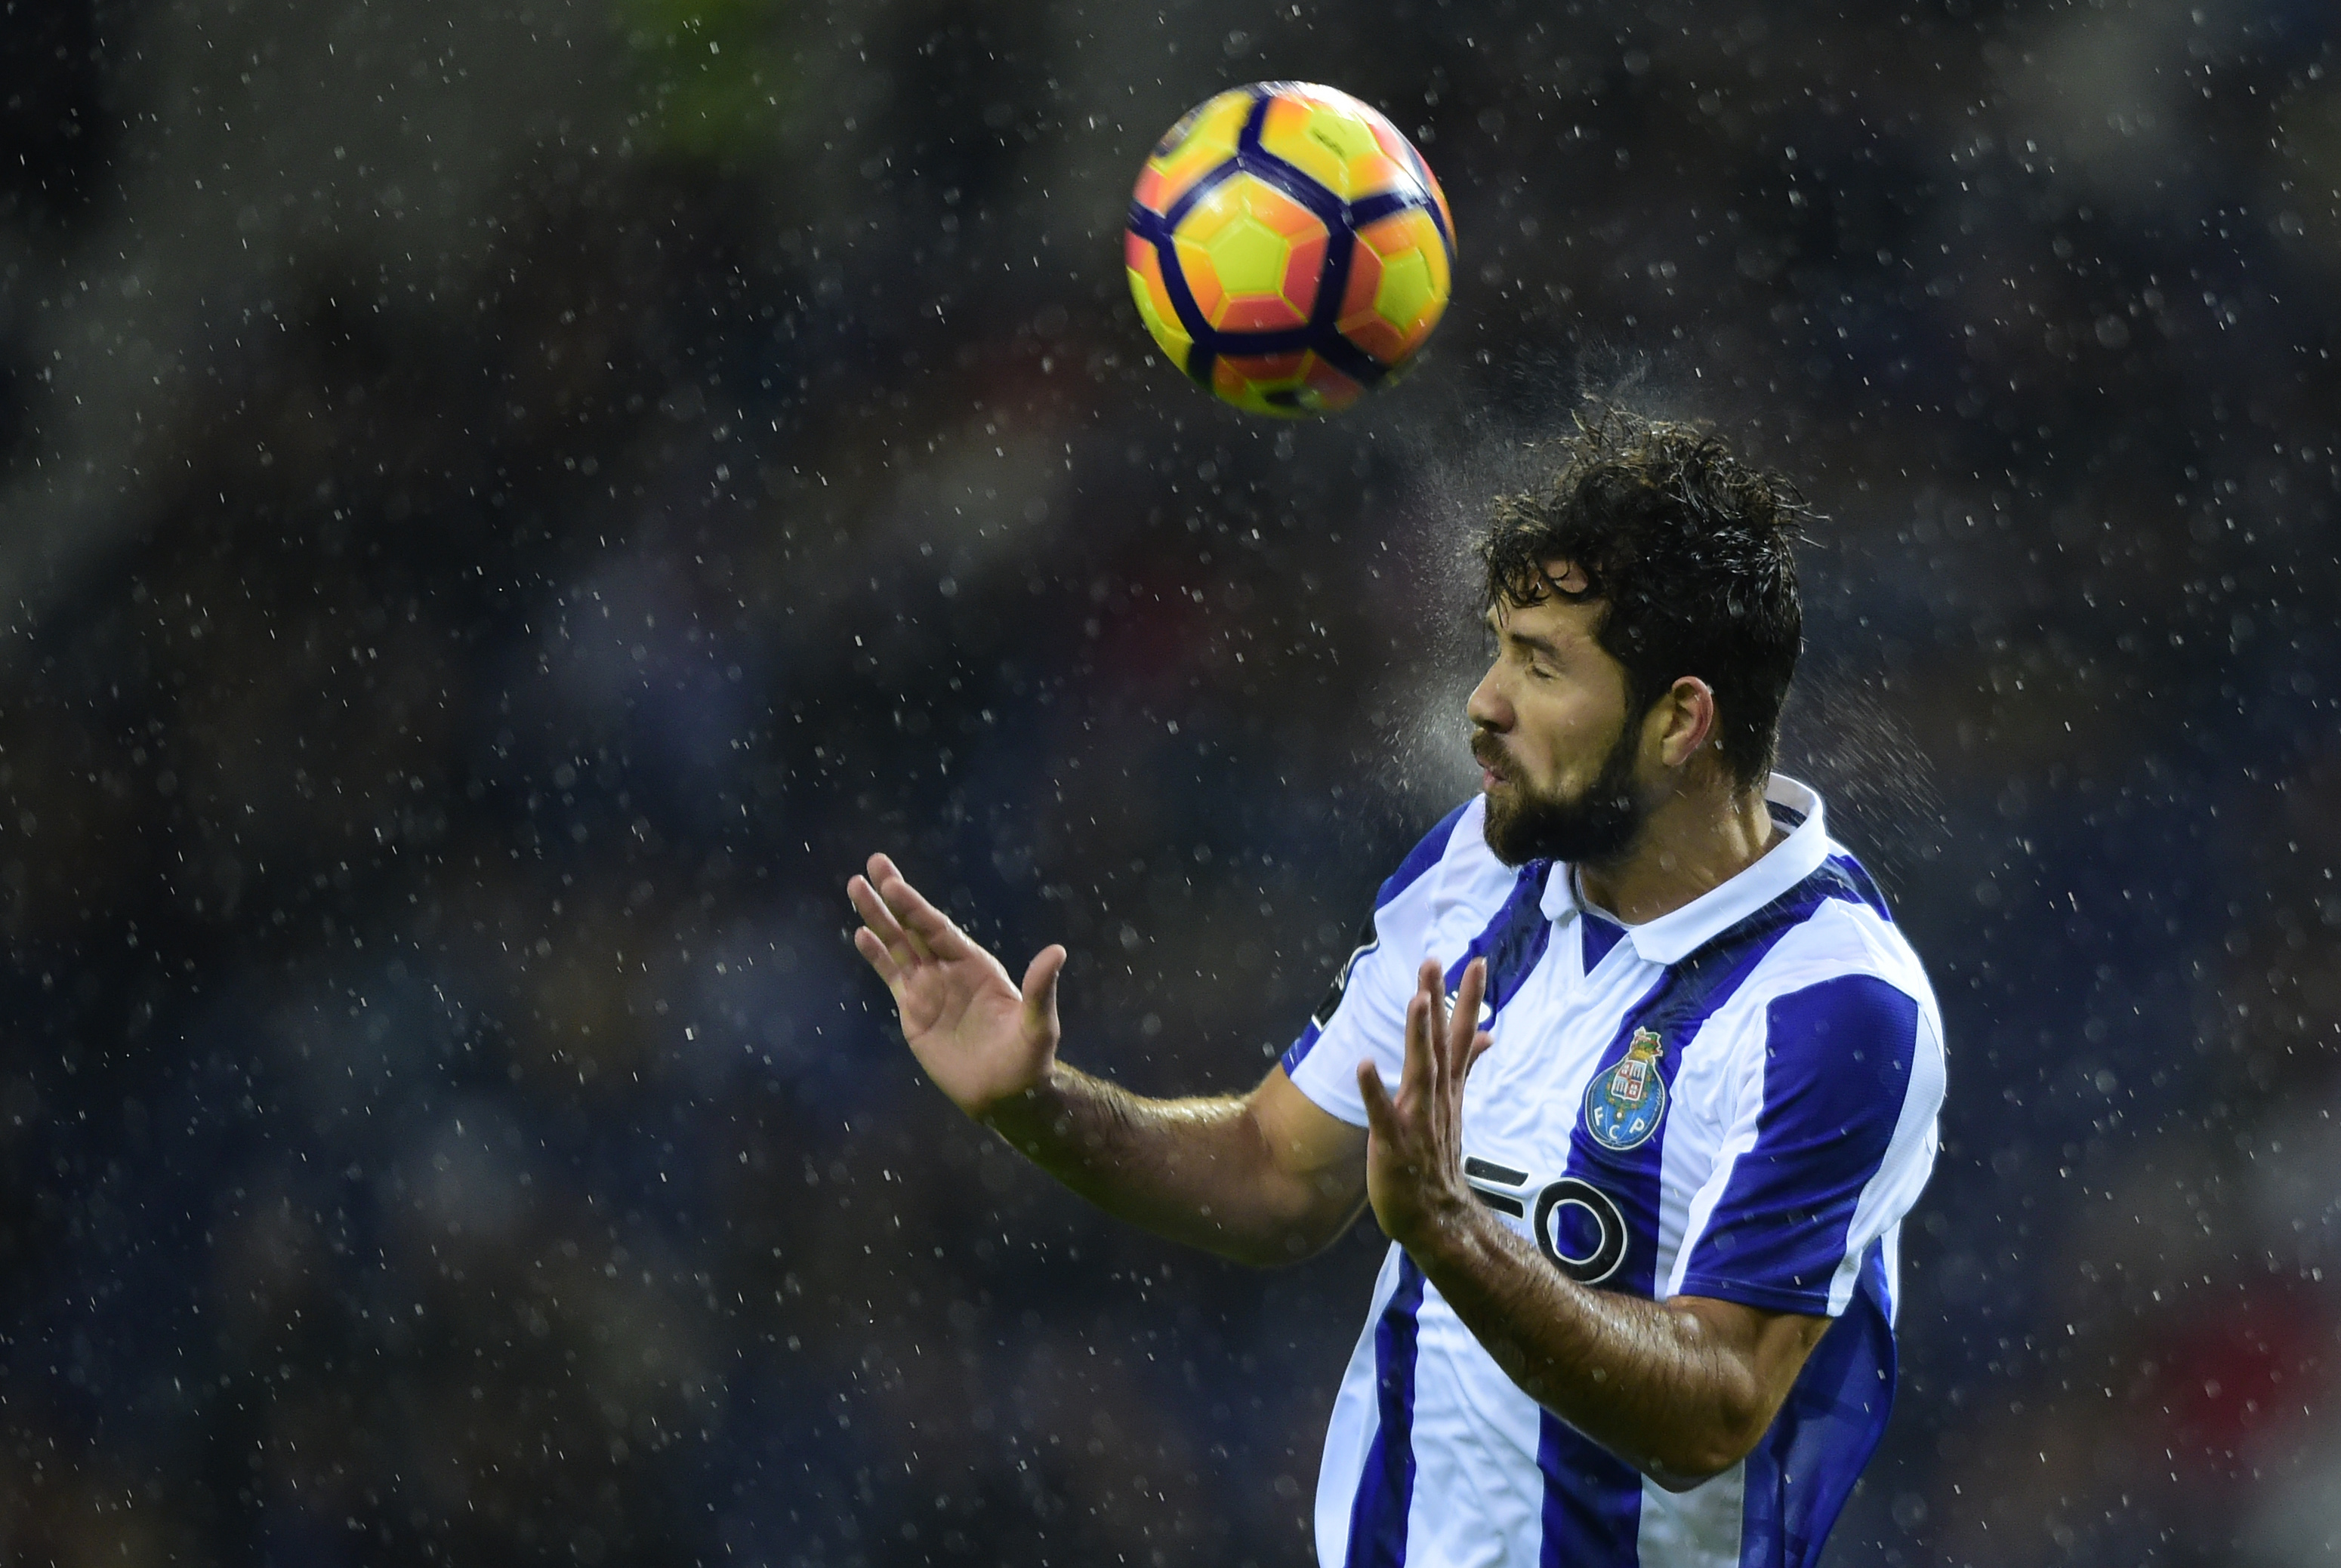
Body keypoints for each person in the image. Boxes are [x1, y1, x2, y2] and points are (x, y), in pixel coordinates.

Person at [847, 406, 1946, 1568]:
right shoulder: (1480, 867)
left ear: (1682, 719)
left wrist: (1454, 1234)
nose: (1484, 700)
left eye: (1539, 663)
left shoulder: (1836, 1005)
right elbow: (1275, 1173)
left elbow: (1714, 1406)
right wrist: (1037, 1101)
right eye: (1496, 646)